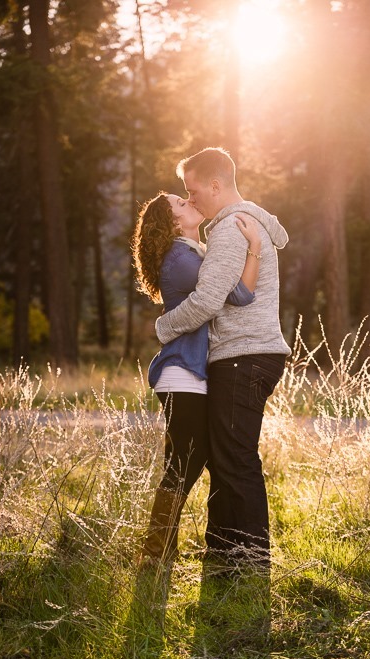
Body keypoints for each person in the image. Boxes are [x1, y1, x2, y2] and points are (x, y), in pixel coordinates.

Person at [155, 148, 291, 565]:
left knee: (234, 461)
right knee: (226, 458)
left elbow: (209, 299)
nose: (191, 199)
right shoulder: (242, 223)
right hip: (245, 354)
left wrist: (162, 328)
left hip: (243, 355)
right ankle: (224, 555)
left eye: (193, 191)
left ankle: (247, 563)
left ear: (216, 185)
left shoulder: (231, 229)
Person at [132, 191, 262, 562]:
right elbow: (238, 294)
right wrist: (253, 247)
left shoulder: (190, 254)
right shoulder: (182, 258)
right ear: (173, 221)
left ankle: (160, 549)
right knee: (188, 460)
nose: (189, 200)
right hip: (181, 374)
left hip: (188, 374)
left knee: (182, 461)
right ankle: (155, 550)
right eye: (180, 202)